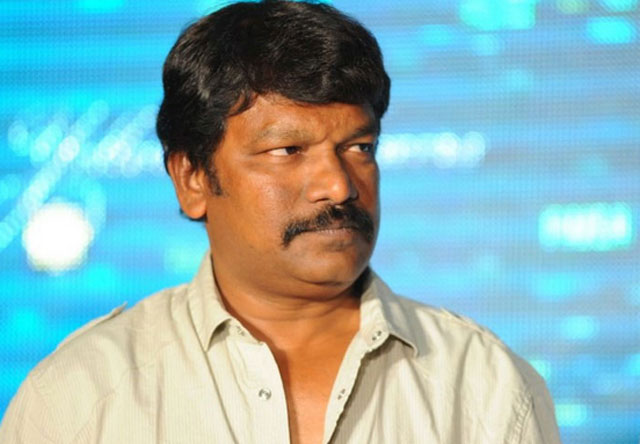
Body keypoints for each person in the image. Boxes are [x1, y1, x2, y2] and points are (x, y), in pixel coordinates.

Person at [0, 1, 561, 443]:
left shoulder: (485, 385)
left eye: (359, 147)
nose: (339, 186)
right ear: (192, 178)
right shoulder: (80, 395)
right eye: (288, 151)